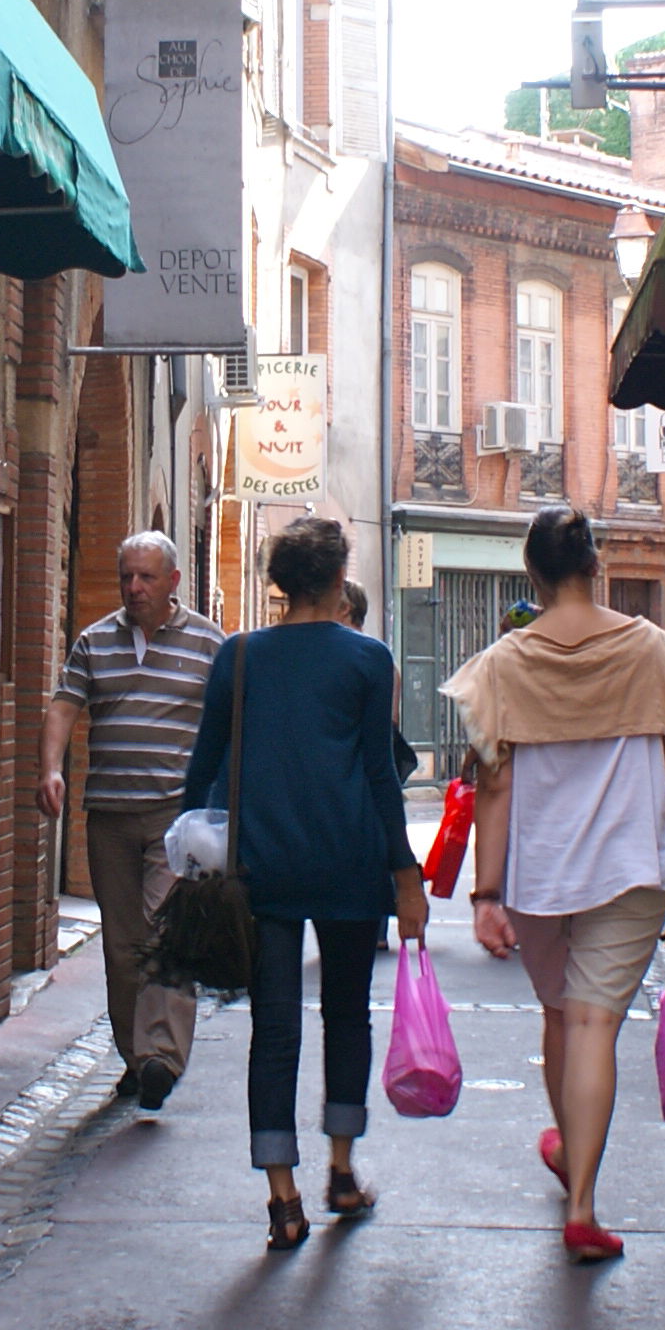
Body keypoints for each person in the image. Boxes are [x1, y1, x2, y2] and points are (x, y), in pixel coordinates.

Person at [446, 505, 665, 1262]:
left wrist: (487, 896)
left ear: (531, 573)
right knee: (594, 1026)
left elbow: (492, 788)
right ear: (595, 565)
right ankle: (585, 1204)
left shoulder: (502, 665)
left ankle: (571, 1154)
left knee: (562, 1015)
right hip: (629, 870)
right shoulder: (654, 653)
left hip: (537, 872)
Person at [179, 516, 424, 1250]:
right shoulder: (368, 659)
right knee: (347, 1017)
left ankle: (282, 1196)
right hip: (349, 861)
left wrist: (188, 845)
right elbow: (382, 775)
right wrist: (404, 874)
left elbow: (204, 764)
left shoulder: (241, 656)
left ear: (282, 583)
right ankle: (342, 1168)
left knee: (274, 1029)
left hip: (265, 862)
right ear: (339, 577)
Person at [44, 533, 226, 1111]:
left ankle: (162, 1060)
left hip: (176, 820)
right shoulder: (95, 642)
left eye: (146, 577)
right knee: (121, 948)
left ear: (173, 581)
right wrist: (50, 769)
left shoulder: (208, 645)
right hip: (109, 818)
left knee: (165, 936)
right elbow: (64, 705)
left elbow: (229, 726)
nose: (134, 588)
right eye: (127, 577)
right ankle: (135, 1058)